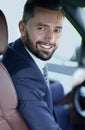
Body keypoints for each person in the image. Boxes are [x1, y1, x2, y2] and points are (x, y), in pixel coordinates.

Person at [2, 0, 65, 129]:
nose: (50, 39)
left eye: (57, 30)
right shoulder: (23, 74)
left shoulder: (15, 51)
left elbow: (40, 90)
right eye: (42, 28)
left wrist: (61, 88)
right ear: (22, 28)